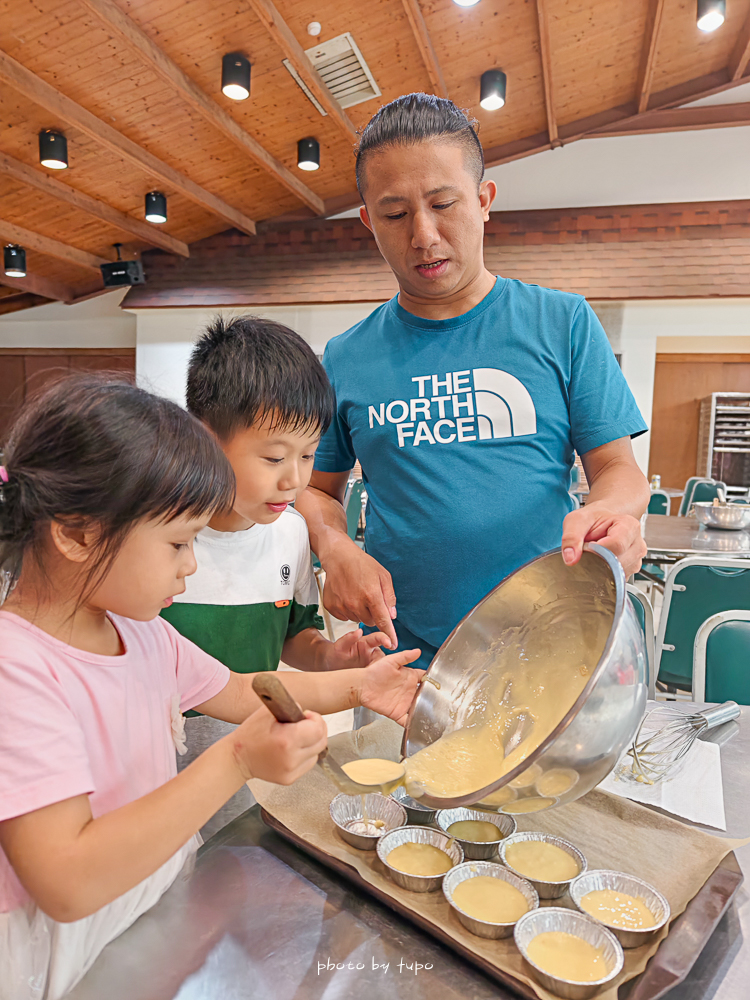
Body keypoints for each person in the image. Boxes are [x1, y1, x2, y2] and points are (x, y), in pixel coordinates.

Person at [0, 374, 420, 1000]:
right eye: (177, 543)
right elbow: (67, 882)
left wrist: (361, 685)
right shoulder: (18, 666)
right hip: (58, 953)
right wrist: (236, 759)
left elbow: (247, 688)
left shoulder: (141, 634)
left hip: (149, 909)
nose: (190, 565)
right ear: (77, 533)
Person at [297, 93, 650, 676]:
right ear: (367, 222)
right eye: (394, 215)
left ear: (484, 201)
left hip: (550, 642)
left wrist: (612, 513)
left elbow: (618, 469)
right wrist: (335, 548)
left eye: (443, 203)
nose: (424, 234)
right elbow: (315, 491)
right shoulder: (346, 356)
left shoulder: (561, 323)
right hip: (404, 657)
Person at [162, 316, 391, 838]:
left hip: (257, 748)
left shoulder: (290, 534)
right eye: (273, 456)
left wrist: (330, 657)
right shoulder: (159, 541)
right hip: (162, 755)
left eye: (308, 455)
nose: (295, 478)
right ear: (205, 438)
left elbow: (292, 636)